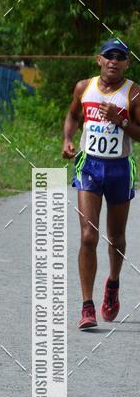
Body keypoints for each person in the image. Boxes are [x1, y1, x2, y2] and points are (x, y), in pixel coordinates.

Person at [63, 38, 140, 329]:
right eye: (109, 56)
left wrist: (120, 121)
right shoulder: (84, 88)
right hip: (90, 166)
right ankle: (87, 306)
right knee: (87, 236)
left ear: (127, 63)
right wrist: (68, 139)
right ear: (99, 59)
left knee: (116, 238)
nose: (114, 62)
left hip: (120, 168)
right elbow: (72, 116)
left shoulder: (133, 94)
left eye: (120, 58)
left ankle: (113, 283)